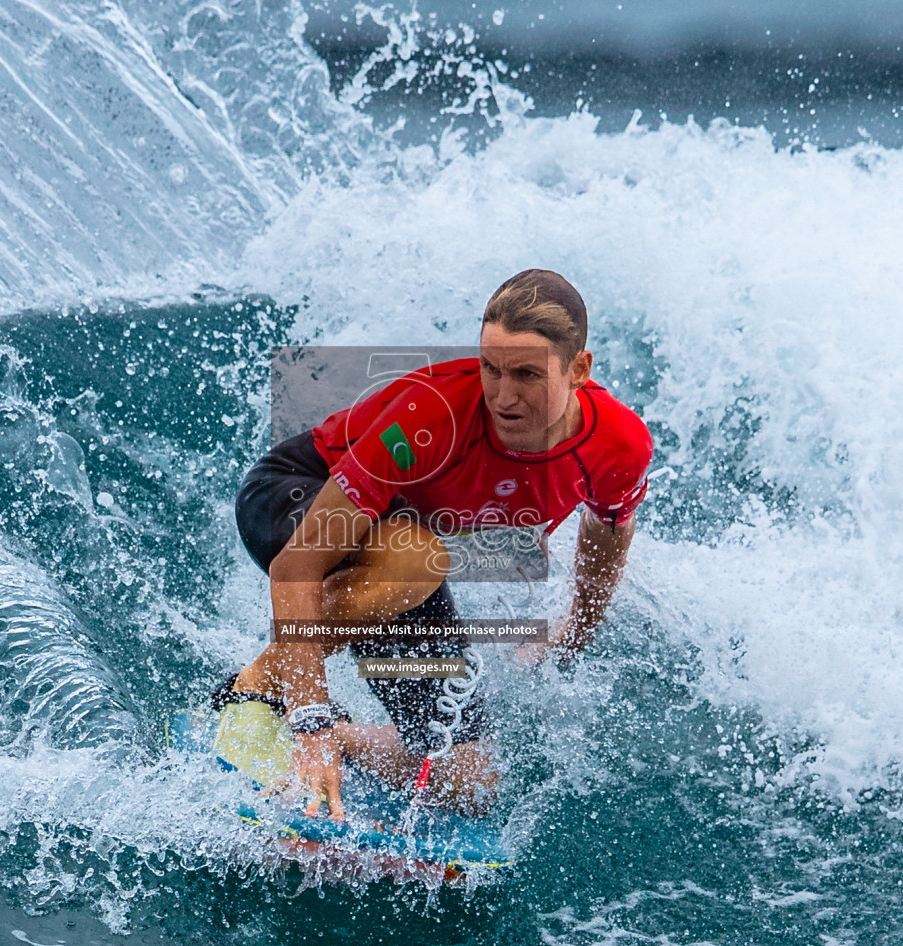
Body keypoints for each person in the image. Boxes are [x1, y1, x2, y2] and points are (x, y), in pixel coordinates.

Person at [223, 269, 653, 820]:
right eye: (490, 369)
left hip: (402, 558)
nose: (502, 395)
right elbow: (296, 567)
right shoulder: (432, 415)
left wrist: (573, 633)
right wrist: (313, 717)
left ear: (579, 370)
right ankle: (253, 693)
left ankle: (343, 740)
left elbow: (606, 534)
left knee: (469, 782)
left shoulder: (617, 446)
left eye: (526, 374)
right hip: (294, 494)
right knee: (417, 557)